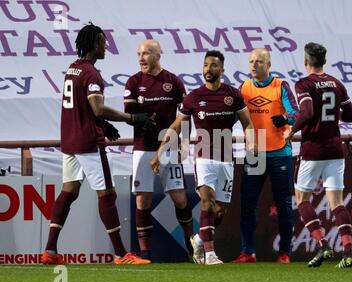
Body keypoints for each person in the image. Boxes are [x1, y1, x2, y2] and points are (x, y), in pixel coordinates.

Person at [41, 22, 152, 265]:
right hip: (89, 143)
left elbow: (85, 107)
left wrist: (103, 122)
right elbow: (97, 107)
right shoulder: (92, 74)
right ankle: (122, 254)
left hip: (70, 140)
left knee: (68, 192)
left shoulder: (73, 69)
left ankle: (49, 250)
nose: (106, 46)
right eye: (103, 41)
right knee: (107, 194)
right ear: (94, 44)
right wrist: (132, 118)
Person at [150, 50, 255, 265]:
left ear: (222, 69)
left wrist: (252, 144)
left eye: (214, 65)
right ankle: (210, 254)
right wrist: (160, 152)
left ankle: (199, 238)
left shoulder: (233, 95)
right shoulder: (194, 97)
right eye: (206, 65)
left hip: (226, 159)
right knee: (206, 201)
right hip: (203, 156)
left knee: (220, 210)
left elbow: (248, 124)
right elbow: (177, 126)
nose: (209, 69)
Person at [284, 42, 352, 268]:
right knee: (337, 203)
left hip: (313, 150)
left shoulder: (304, 83)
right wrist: (333, 116)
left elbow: (307, 112)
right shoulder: (336, 84)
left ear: (306, 61)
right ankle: (348, 252)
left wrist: (292, 130)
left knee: (302, 199)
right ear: (324, 61)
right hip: (335, 149)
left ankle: (323, 245)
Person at [124, 39, 194, 260]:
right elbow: (128, 115)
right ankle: (145, 254)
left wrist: (184, 143)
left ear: (158, 55)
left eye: (146, 53)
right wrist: (139, 120)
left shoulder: (173, 82)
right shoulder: (133, 82)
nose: (141, 58)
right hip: (143, 149)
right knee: (142, 200)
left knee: (180, 199)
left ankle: (191, 244)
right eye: (138, 54)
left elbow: (185, 116)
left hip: (169, 149)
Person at [232, 48, 298, 264]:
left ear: (268, 65)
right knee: (247, 205)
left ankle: (285, 253)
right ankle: (248, 252)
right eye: (251, 61)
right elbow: (232, 117)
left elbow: (297, 113)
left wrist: (285, 118)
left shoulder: (281, 86)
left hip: (280, 152)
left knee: (284, 205)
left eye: (259, 61)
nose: (253, 65)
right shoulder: (245, 88)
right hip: (255, 153)